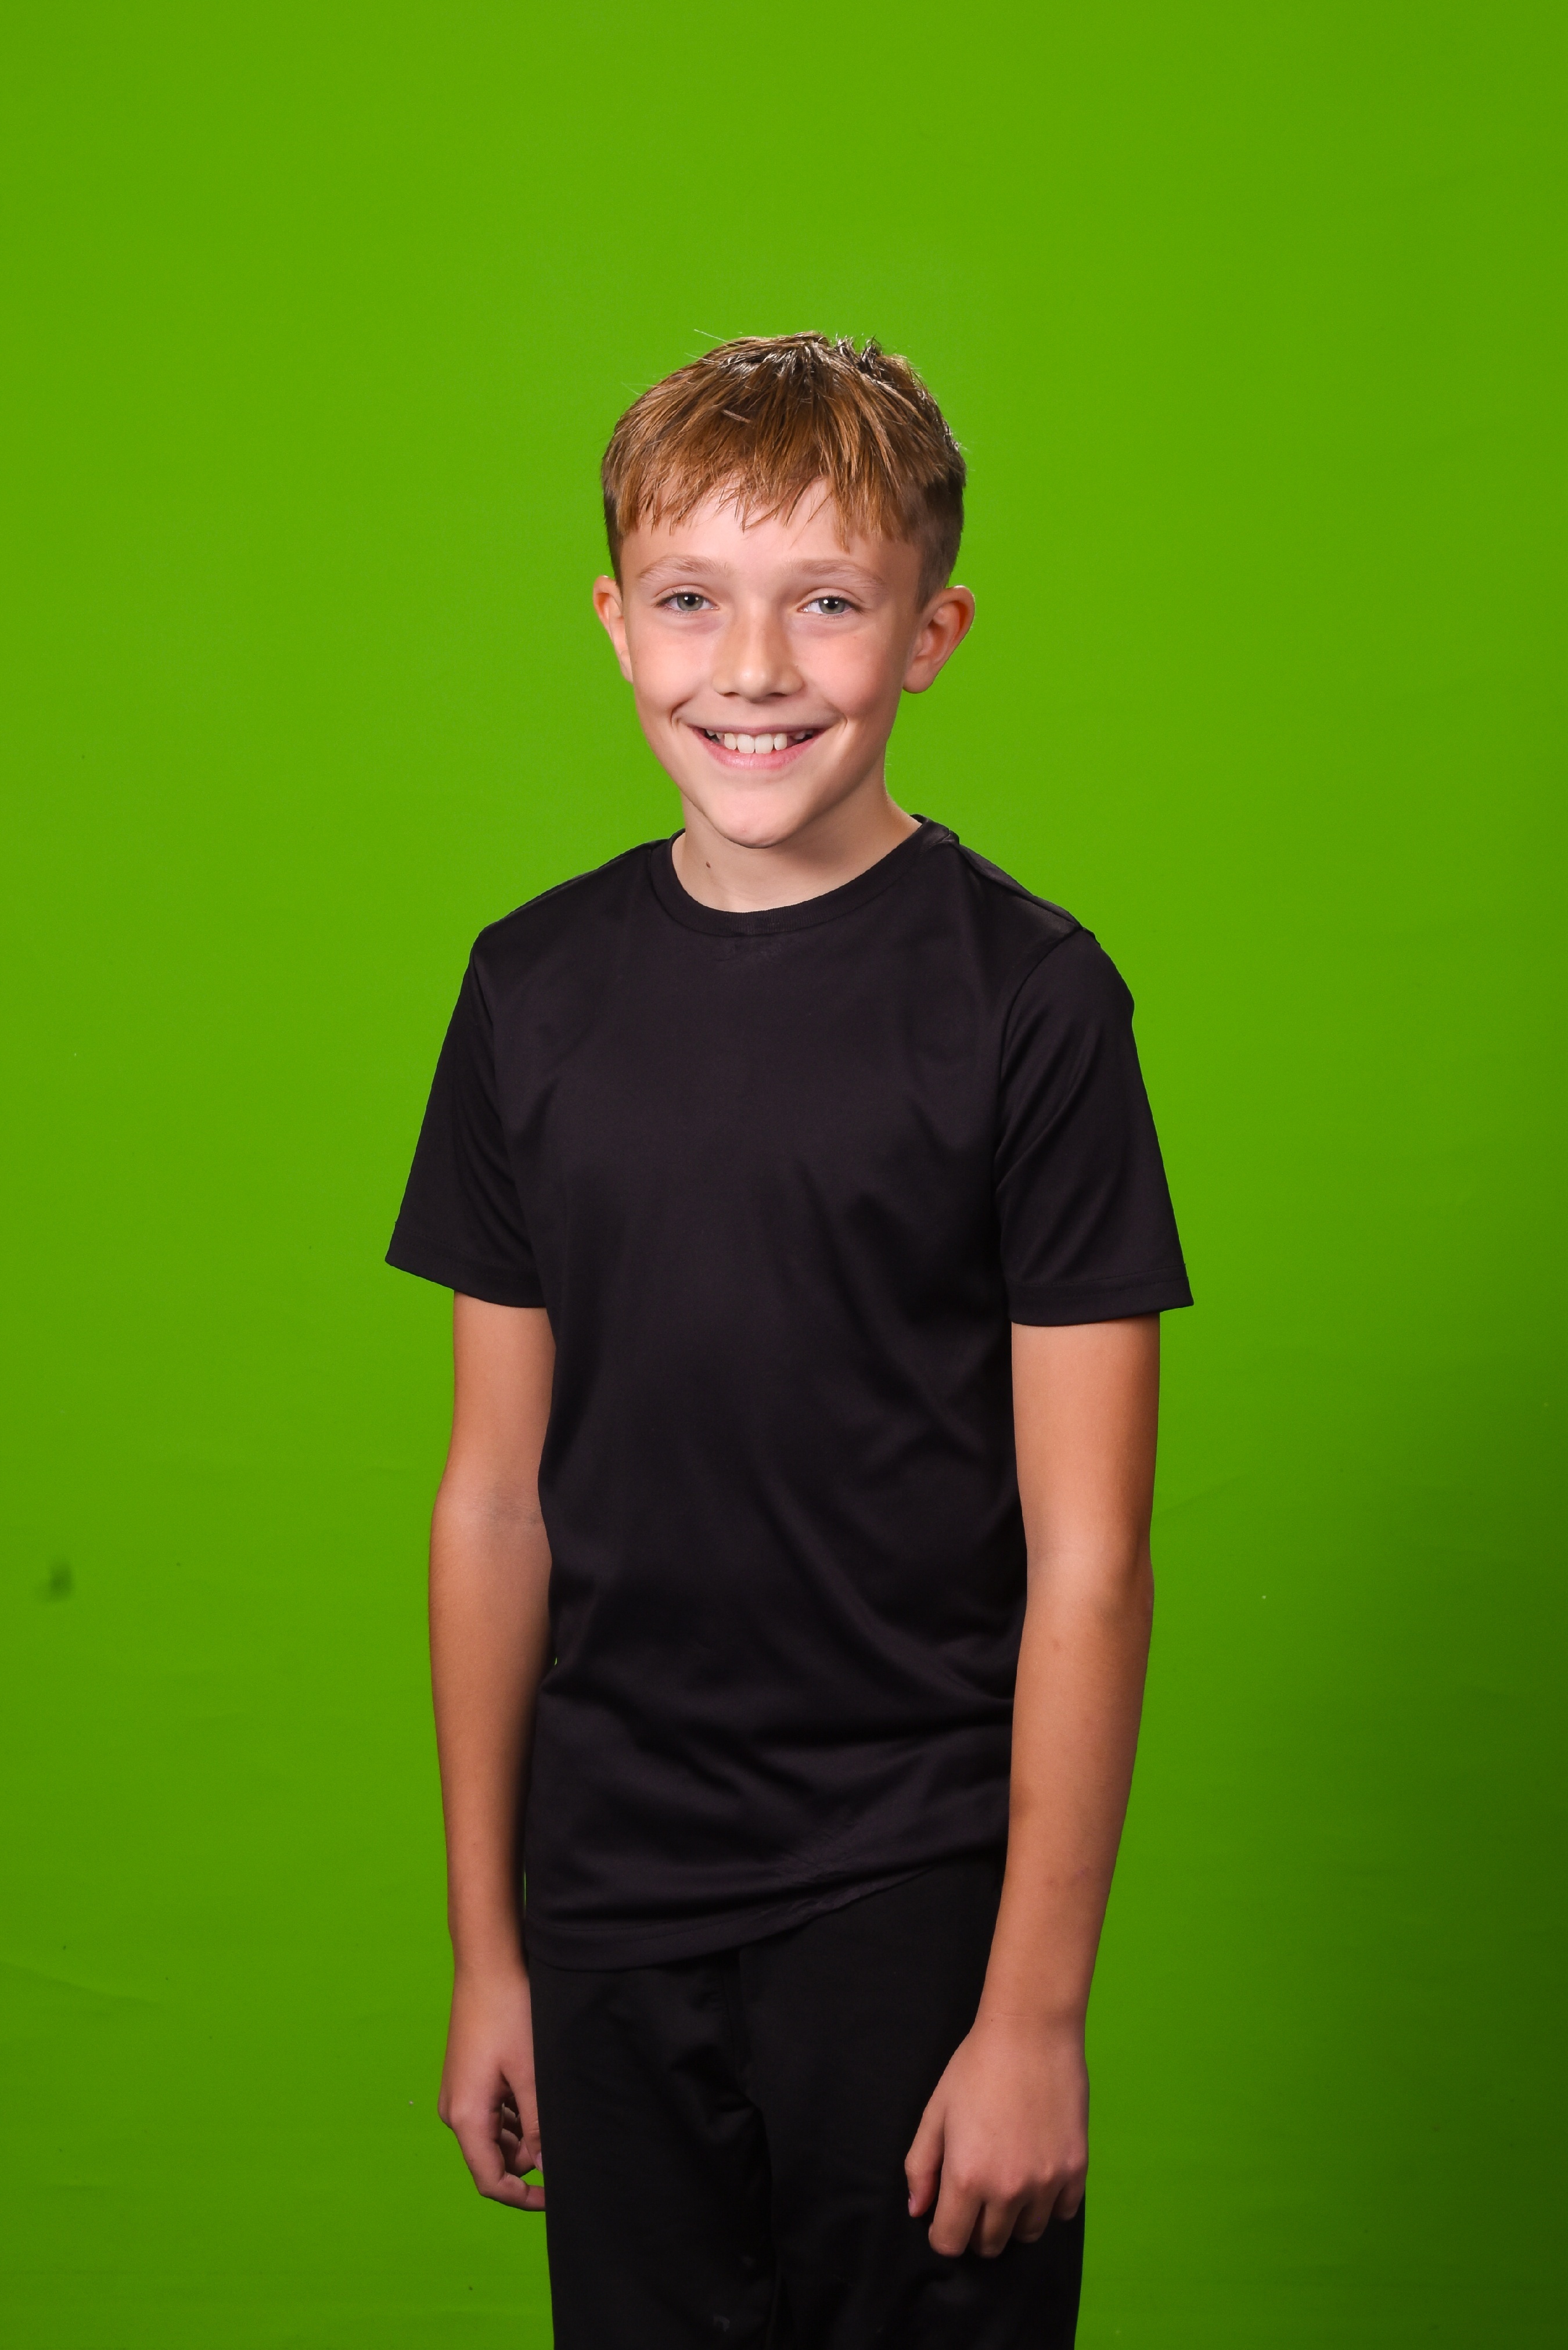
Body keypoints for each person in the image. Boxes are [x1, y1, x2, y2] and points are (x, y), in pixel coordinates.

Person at [387, 332, 1191, 2348]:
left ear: (930, 633)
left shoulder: (1030, 1005)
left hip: (912, 1903)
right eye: (691, 600)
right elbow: (493, 1505)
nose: (750, 668)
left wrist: (1033, 2014)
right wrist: (493, 1952)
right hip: (609, 1902)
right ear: (613, 622)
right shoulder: (528, 993)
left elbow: (1089, 1557)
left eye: (825, 603)